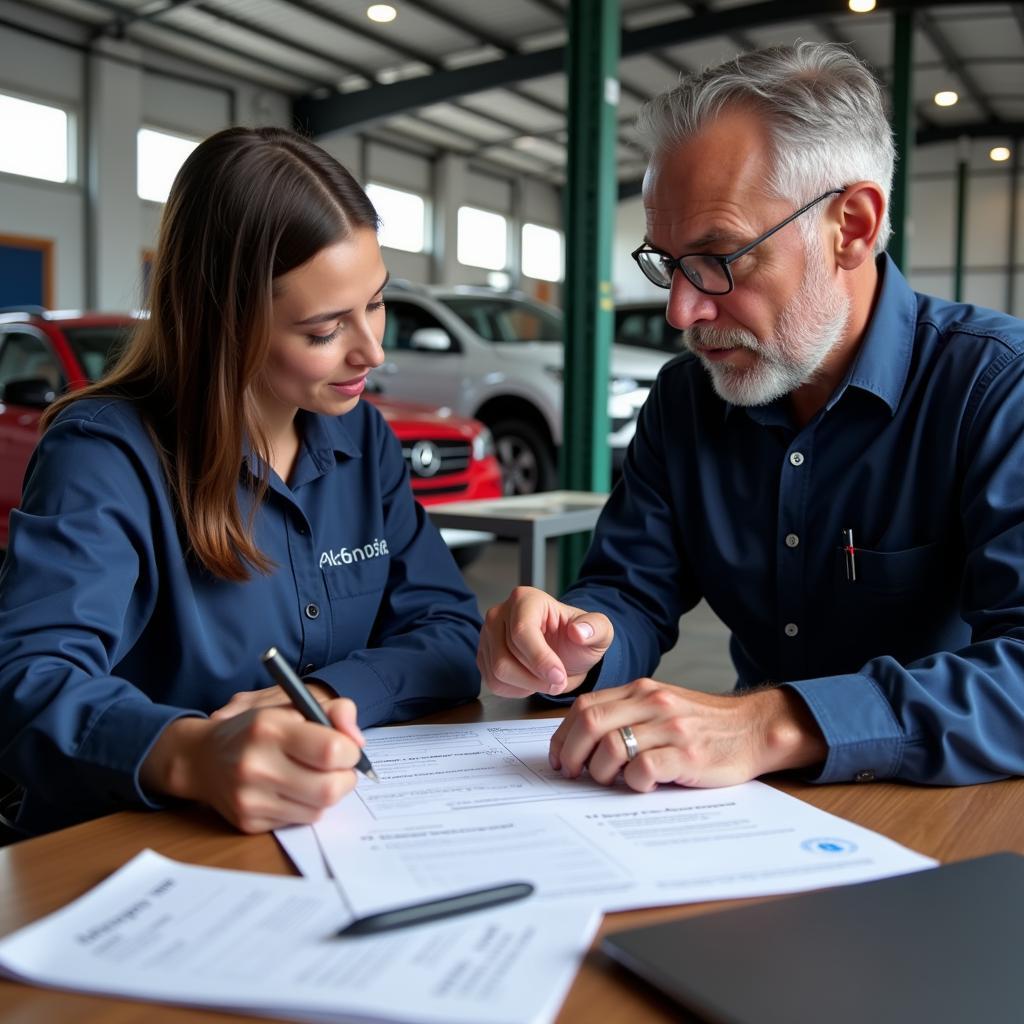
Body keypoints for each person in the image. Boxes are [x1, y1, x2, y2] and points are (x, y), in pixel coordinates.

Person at [479, 42, 1024, 793]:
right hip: (753, 814)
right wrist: (583, 637)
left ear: (853, 227)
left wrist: (774, 723)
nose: (681, 310)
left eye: (720, 258)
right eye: (667, 264)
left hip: (943, 816)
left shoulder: (996, 390)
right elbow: (633, 589)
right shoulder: (685, 402)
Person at [0, 127, 482, 838]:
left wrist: (317, 696)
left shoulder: (363, 437)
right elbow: (28, 680)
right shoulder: (103, 455)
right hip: (125, 849)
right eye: (323, 330)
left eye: (376, 303)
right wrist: (191, 754)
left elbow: (448, 631)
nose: (371, 350)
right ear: (223, 323)